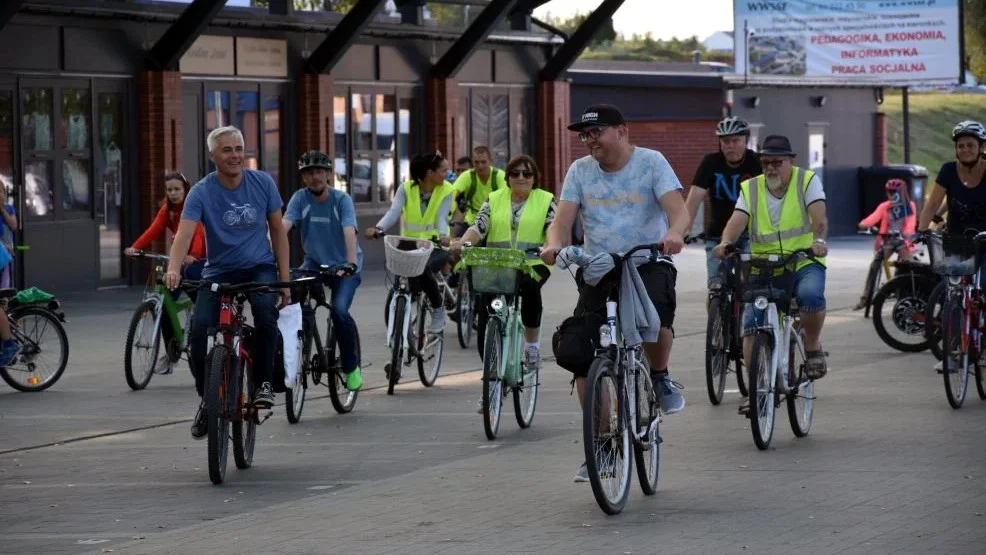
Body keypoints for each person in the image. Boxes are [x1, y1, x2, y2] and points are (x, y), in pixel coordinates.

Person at [540, 103, 689, 482]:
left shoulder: (651, 163)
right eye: (584, 135)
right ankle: (604, 444)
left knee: (656, 319)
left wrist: (673, 233)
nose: (590, 141)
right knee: (582, 352)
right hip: (599, 266)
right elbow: (562, 221)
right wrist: (553, 245)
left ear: (621, 131)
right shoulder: (579, 171)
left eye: (596, 132)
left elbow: (679, 211)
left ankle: (659, 375)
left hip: (647, 260)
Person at [164, 126, 292, 440]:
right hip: (218, 272)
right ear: (213, 156)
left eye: (239, 149)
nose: (235, 156)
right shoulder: (202, 191)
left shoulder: (262, 182)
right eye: (227, 150)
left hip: (258, 267)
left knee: (265, 315)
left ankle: (263, 383)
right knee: (197, 333)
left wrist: (284, 280)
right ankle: (207, 401)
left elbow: (278, 232)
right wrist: (173, 268)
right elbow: (183, 234)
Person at [713, 135, 829, 383]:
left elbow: (819, 218)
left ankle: (812, 346)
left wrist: (818, 241)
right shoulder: (751, 187)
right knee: (752, 325)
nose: (770, 168)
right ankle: (758, 389)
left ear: (791, 161)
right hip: (763, 263)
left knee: (810, 295)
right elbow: (737, 220)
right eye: (765, 163)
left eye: (777, 162)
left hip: (803, 259)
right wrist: (725, 242)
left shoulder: (807, 180)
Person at [452, 155, 555, 365]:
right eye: (515, 173)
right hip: (497, 265)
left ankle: (531, 347)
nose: (521, 177)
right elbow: (478, 226)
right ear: (507, 177)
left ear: (535, 178)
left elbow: (552, 226)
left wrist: (552, 246)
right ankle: (490, 367)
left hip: (532, 264)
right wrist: (463, 242)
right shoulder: (495, 198)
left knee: (530, 289)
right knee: (489, 305)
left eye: (527, 173)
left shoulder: (546, 199)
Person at [284, 151, 363, 392]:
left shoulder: (341, 200)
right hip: (315, 264)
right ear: (303, 178)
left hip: (344, 266)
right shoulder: (300, 199)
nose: (315, 177)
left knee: (339, 311)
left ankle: (351, 367)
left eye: (319, 171)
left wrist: (350, 263)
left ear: (329, 174)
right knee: (291, 299)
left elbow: (349, 231)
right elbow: (283, 227)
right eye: (309, 173)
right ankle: (301, 343)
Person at [367, 151, 454, 335]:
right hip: (409, 244)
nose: (447, 173)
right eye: (443, 170)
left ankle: (438, 311)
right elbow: (394, 211)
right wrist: (379, 228)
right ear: (429, 172)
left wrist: (444, 235)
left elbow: (441, 218)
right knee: (404, 279)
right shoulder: (405, 188)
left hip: (435, 245)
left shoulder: (446, 189)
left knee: (424, 269)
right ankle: (401, 317)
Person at [684, 116, 762, 289]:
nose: (730, 145)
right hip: (717, 235)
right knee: (716, 286)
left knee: (752, 286)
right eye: (726, 141)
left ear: (745, 141)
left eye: (736, 140)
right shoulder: (711, 162)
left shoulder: (756, 162)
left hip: (750, 234)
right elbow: (695, 196)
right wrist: (684, 227)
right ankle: (716, 313)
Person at [125, 172, 208, 283]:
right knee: (170, 285)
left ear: (185, 190)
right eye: (169, 190)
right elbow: (152, 231)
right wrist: (135, 247)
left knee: (194, 287)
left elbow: (198, 233)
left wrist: (194, 255)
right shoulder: (167, 210)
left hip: (203, 258)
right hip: (182, 256)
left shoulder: (192, 207)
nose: (173, 193)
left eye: (177, 189)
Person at [854, 178, 918, 310]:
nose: (892, 195)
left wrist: (907, 233)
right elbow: (874, 217)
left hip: (902, 241)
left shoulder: (909, 206)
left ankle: (908, 296)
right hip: (888, 239)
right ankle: (865, 299)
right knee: (875, 264)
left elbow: (911, 223)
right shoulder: (885, 206)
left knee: (910, 265)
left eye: (896, 192)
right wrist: (863, 224)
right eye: (890, 192)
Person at [451, 146, 507, 237]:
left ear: (490, 161)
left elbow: (507, 198)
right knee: (460, 246)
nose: (480, 166)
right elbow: (452, 193)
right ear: (472, 162)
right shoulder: (467, 176)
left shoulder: (499, 176)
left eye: (483, 162)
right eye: (476, 162)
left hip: (495, 221)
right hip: (472, 222)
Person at [0, 185, 16, 289]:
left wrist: (2, 209)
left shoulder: (9, 208)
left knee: (5, 281)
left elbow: (13, 225)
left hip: (6, 251)